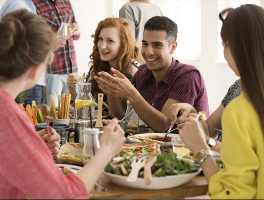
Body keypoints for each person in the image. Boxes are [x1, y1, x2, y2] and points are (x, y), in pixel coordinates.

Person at [0, 9, 126, 198]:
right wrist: (105, 151)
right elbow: (65, 195)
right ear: (36, 71)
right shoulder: (8, 116)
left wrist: (32, 149)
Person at [178, 5, 264, 198]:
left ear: (230, 47)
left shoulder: (240, 110)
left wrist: (200, 148)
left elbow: (232, 194)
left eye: (224, 45)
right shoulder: (240, 92)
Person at [95, 16, 209, 133]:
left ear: (173, 47)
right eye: (145, 44)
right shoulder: (143, 71)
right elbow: (122, 113)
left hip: (185, 149)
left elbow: (163, 125)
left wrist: (131, 93)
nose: (148, 52)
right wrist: (110, 89)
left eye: (157, 45)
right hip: (151, 146)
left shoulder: (187, 75)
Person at [67, 17, 143, 107]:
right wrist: (71, 88)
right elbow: (81, 107)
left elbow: (132, 114)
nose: (102, 46)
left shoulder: (134, 70)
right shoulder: (96, 66)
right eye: (100, 39)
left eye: (110, 41)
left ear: (124, 44)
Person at [0, 0, 60, 107]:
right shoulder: (16, 4)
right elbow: (18, 45)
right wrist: (47, 50)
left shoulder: (29, 4)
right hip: (24, 79)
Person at [171, 79, 241, 152]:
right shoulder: (239, 85)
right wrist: (191, 112)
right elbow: (209, 130)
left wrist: (206, 140)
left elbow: (244, 154)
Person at [32, 0, 80, 107]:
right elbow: (35, 38)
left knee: (72, 111)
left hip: (72, 70)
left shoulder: (65, 2)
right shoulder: (34, 4)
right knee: (53, 114)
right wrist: (58, 34)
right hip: (53, 71)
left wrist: (76, 30)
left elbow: (75, 31)